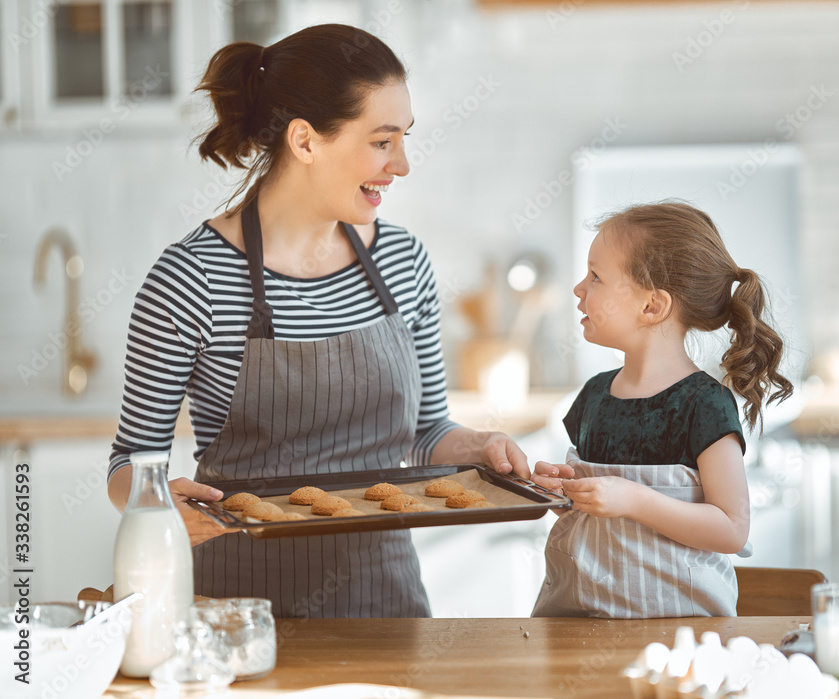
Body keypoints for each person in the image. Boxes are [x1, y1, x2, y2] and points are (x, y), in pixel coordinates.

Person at [106, 24, 529, 619]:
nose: (402, 164)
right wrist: (155, 503)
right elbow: (130, 462)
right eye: (383, 141)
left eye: (405, 138)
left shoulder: (402, 260)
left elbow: (428, 430)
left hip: (387, 603)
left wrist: (479, 446)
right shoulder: (191, 278)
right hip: (239, 613)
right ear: (305, 141)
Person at [530, 201, 793, 618]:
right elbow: (591, 520)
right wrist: (561, 491)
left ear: (652, 306)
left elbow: (731, 527)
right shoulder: (593, 397)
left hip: (680, 640)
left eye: (596, 276)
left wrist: (634, 500)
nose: (579, 288)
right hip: (578, 629)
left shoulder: (703, 405)